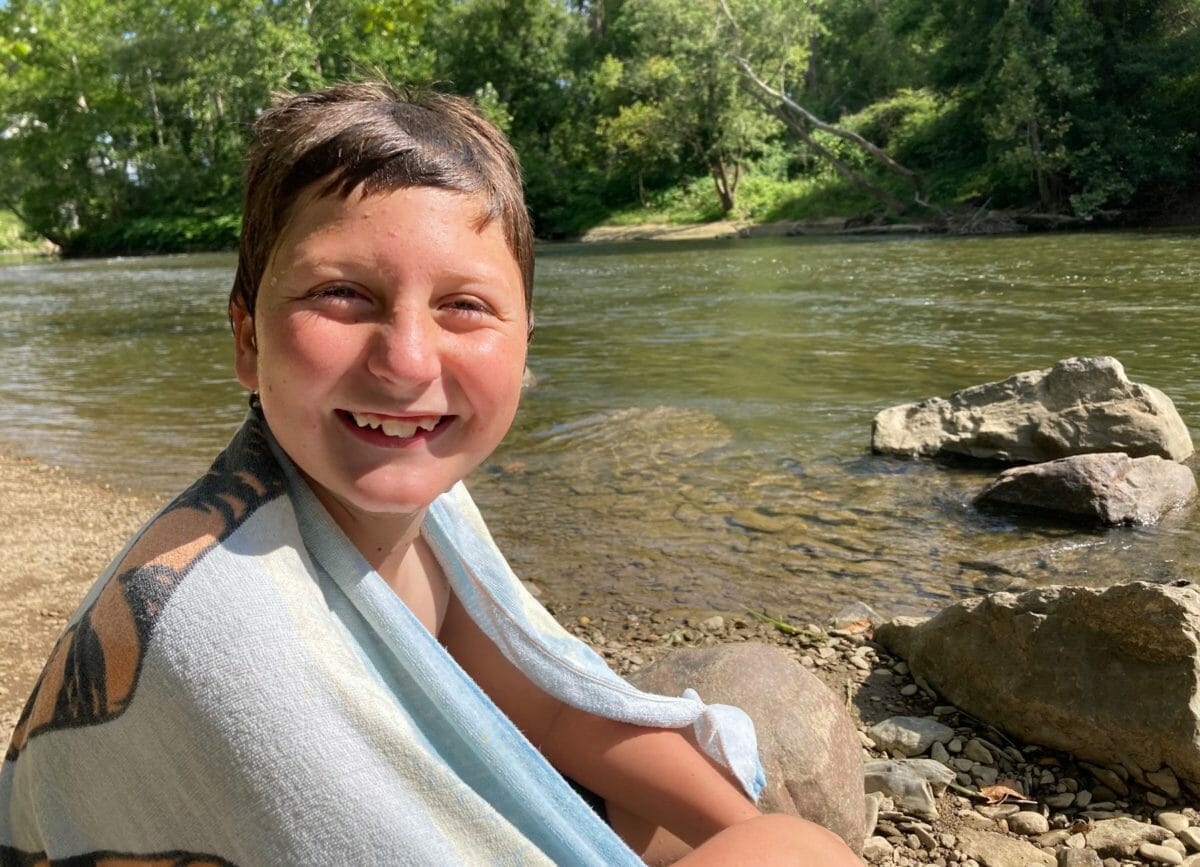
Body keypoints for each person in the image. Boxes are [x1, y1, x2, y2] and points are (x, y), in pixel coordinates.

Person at [0, 81, 860, 865]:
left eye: (464, 306)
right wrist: (784, 842)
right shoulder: (233, 637)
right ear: (247, 338)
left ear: (526, 346)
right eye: (342, 294)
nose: (408, 361)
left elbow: (547, 707)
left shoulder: (419, 506)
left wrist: (738, 826)